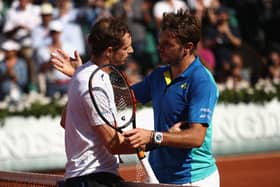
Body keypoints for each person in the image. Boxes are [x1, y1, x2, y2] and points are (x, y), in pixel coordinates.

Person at [51, 10, 220, 187]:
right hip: (161, 177)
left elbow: (196, 137)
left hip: (193, 179)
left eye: (168, 44)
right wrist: (83, 76)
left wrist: (155, 138)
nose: (159, 47)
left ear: (188, 47)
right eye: (159, 42)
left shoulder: (202, 81)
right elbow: (107, 97)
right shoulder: (158, 76)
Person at [52, 17, 136, 187]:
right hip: (93, 179)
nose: (132, 51)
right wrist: (157, 141)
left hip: (90, 178)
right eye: (126, 48)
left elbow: (64, 122)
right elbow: (114, 144)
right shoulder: (92, 82)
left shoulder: (83, 74)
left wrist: (76, 77)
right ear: (110, 51)